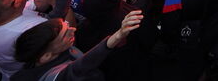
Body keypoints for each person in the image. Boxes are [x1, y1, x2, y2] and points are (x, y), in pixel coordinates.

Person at [12, 10, 143, 81]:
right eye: (65, 34)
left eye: (67, 26)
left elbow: (60, 8)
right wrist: (118, 35)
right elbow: (79, 67)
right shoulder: (56, 77)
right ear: (46, 56)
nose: (73, 30)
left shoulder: (50, 51)